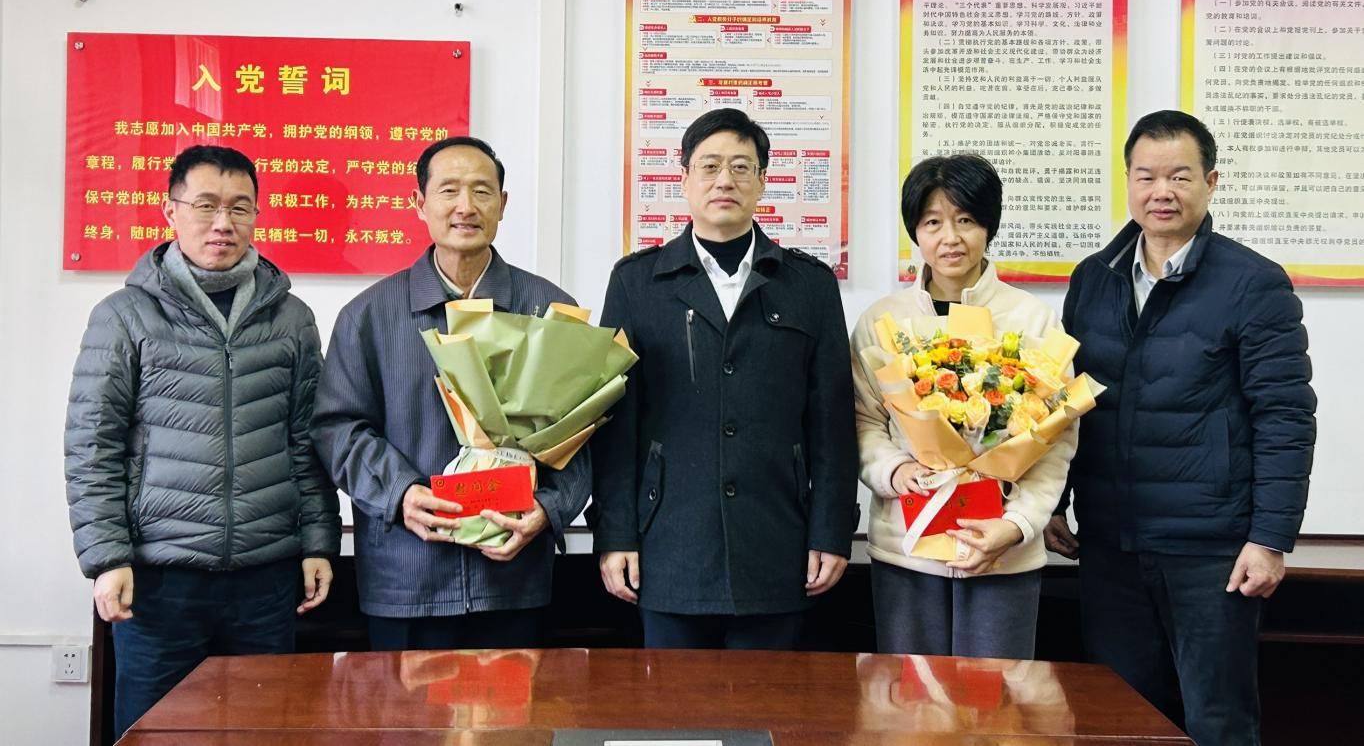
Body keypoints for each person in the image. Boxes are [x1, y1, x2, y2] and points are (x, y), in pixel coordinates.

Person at [1045, 110, 1316, 745]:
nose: (1160, 192)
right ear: (1128, 182)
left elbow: (1285, 416)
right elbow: (1067, 401)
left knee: (1217, 720)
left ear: (1211, 182)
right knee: (1119, 721)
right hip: (1109, 543)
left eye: (1179, 176)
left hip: (1210, 550)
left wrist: (1270, 538)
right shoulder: (1094, 278)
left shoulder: (1254, 283)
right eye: (1146, 176)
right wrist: (1055, 502)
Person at [65, 145, 339, 739]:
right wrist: (107, 558)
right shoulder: (125, 316)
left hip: (266, 577)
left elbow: (307, 439)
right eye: (206, 205)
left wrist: (319, 540)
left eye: (240, 207)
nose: (223, 223)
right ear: (171, 211)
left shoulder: (291, 318)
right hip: (160, 580)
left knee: (263, 732)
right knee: (156, 733)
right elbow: (93, 445)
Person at [591, 108, 857, 649]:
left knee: (771, 698)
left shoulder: (808, 285)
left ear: (762, 180)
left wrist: (832, 531)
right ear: (684, 179)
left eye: (741, 167)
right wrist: (614, 534)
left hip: (778, 541)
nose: (724, 180)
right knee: (673, 701)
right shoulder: (637, 282)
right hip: (668, 544)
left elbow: (831, 421)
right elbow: (615, 423)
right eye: (709, 166)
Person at [310, 135, 589, 650]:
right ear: (419, 203)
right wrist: (400, 494)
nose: (466, 206)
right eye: (449, 190)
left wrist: (549, 509)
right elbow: (338, 430)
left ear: (503, 204)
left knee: (518, 705)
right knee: (403, 706)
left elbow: (584, 437)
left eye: (482, 191)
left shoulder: (548, 310)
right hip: (406, 577)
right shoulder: (368, 316)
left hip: (513, 580)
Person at [850, 154, 1077, 659]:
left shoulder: (1032, 319)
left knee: (996, 700)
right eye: (933, 222)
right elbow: (863, 420)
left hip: (1003, 553)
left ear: (988, 227)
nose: (950, 238)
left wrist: (1017, 525)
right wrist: (894, 470)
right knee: (908, 700)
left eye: (966, 220)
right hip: (907, 546)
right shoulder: (882, 322)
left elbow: (1055, 439)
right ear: (915, 231)